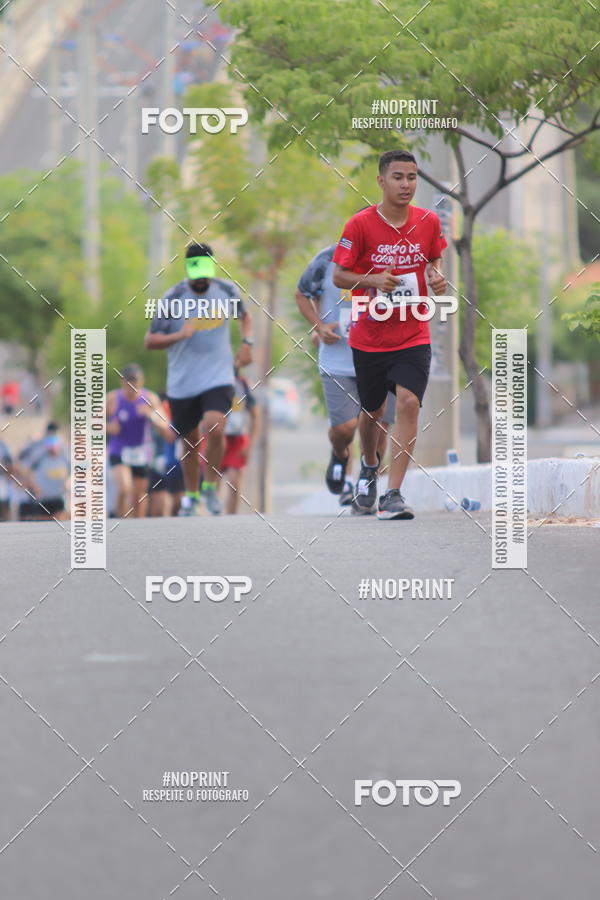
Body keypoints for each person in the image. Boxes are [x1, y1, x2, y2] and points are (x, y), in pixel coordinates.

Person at [332, 149, 448, 520]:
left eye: (412, 178)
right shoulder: (360, 225)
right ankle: (368, 466)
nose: (406, 184)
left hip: (413, 332)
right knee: (373, 412)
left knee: (410, 402)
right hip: (370, 335)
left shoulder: (428, 221)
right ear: (381, 181)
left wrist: (436, 274)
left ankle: (393, 493)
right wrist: (372, 280)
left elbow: (434, 256)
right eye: (398, 177)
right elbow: (339, 276)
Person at [144, 242, 253, 516]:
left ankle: (210, 489)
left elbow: (245, 315)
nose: (202, 276)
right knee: (190, 442)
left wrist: (247, 343)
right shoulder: (173, 297)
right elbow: (150, 340)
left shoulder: (226, 290)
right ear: (188, 269)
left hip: (219, 375)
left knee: (215, 427)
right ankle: (192, 497)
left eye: (206, 269)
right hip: (183, 382)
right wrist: (177, 336)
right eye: (196, 269)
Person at [295, 241, 396, 505]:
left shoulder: (396, 256)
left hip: (384, 357)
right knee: (344, 429)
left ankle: (367, 480)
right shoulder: (327, 259)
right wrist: (319, 327)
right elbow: (302, 293)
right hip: (339, 360)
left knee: (380, 428)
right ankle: (340, 453)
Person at [107, 363, 173, 519]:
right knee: (124, 488)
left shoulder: (149, 398)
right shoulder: (112, 398)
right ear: (122, 381)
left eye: (135, 380)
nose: (132, 385)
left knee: (139, 496)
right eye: (128, 380)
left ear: (141, 381)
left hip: (140, 451)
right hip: (119, 450)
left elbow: (165, 423)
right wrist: (109, 427)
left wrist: (151, 415)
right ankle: (119, 522)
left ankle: (138, 527)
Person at [220, 369, 259, 514]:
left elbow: (255, 415)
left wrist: (249, 444)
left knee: (234, 481)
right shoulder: (213, 382)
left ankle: (231, 517)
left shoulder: (242, 384)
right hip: (217, 437)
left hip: (237, 437)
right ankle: (213, 515)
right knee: (213, 480)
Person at [18, 431, 70, 521]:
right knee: (44, 522)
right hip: (44, 498)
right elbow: (27, 470)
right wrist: (34, 486)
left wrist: (65, 484)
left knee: (60, 521)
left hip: (58, 497)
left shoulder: (63, 457)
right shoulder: (40, 457)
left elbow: (69, 471)